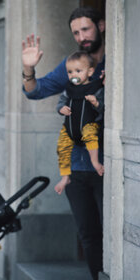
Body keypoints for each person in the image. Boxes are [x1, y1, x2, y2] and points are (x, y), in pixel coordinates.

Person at [21, 7, 105, 280]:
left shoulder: (113, 63)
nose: (82, 36)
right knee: (89, 234)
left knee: (111, 233)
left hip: (108, 165)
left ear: (101, 26)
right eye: (76, 32)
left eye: (86, 29)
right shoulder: (72, 66)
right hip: (78, 166)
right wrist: (29, 69)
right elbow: (35, 90)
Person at [54, 51, 104, 195]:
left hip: (89, 124)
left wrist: (96, 102)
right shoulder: (68, 89)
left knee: (90, 136)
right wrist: (61, 109)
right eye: (70, 72)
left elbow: (103, 108)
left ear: (90, 72)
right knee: (62, 147)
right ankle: (65, 177)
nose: (73, 75)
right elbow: (60, 104)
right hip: (69, 127)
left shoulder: (96, 88)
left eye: (78, 71)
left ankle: (95, 162)